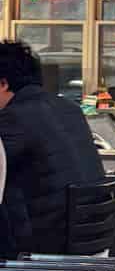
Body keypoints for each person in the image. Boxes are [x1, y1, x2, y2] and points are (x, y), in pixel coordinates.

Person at [0, 40, 105, 258]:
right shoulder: (69, 108)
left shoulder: (14, 118)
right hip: (88, 240)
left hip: (45, 243)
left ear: (3, 84)